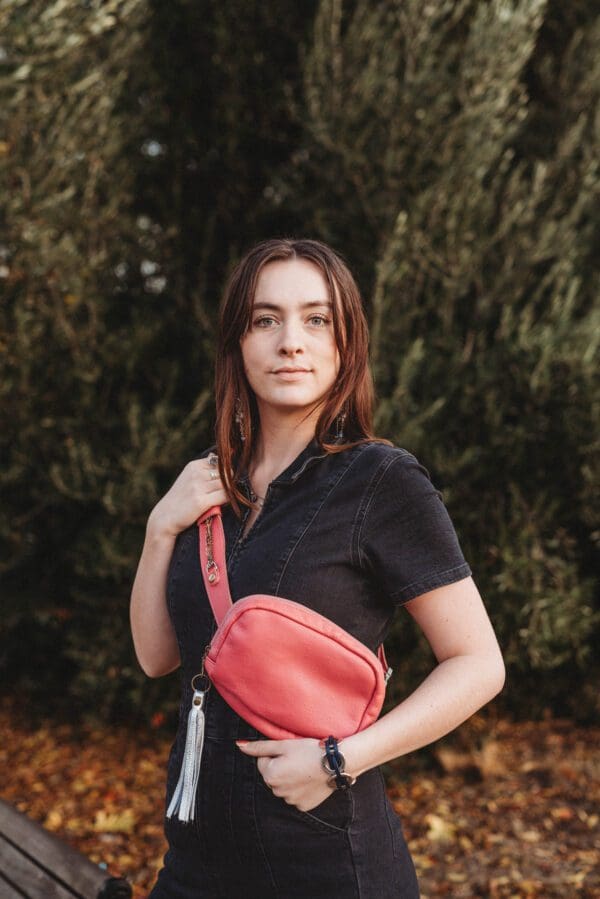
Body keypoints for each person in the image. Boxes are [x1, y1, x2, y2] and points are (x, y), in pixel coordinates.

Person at [130, 237, 505, 898]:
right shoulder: (208, 485)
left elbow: (479, 662)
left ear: (345, 342)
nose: (290, 342)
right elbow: (159, 654)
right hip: (195, 861)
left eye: (316, 318)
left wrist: (339, 759)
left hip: (323, 861)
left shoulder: (381, 480)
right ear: (239, 343)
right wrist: (161, 524)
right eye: (265, 319)